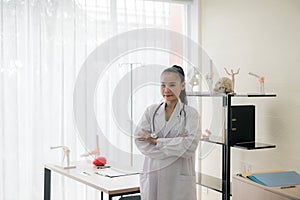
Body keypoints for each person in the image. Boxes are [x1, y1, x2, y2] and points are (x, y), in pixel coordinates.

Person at [134, 65, 200, 200]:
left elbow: (189, 147)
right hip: (153, 176)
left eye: (172, 85)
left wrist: (155, 141)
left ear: (182, 86)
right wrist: (175, 146)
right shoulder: (151, 111)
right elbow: (139, 140)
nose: (166, 90)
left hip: (178, 182)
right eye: (163, 85)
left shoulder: (191, 114)